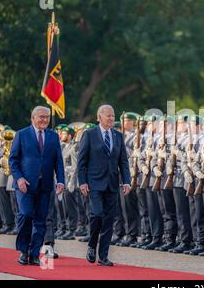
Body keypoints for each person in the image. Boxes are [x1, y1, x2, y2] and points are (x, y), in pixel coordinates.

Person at [9, 106, 65, 265]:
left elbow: (58, 161)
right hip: (24, 185)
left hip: (45, 185)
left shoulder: (53, 136)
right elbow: (13, 160)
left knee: (41, 220)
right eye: (41, 117)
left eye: (47, 117)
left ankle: (34, 253)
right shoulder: (22, 134)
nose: (44, 120)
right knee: (26, 214)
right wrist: (19, 179)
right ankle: (23, 250)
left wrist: (60, 180)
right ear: (33, 118)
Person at [77, 104, 131, 266]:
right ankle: (92, 244)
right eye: (108, 115)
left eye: (113, 116)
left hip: (112, 184)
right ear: (99, 117)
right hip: (94, 183)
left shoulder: (118, 136)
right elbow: (82, 162)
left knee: (109, 220)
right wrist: (83, 182)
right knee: (97, 214)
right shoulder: (89, 135)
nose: (111, 118)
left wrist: (127, 181)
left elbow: (123, 161)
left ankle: (103, 256)